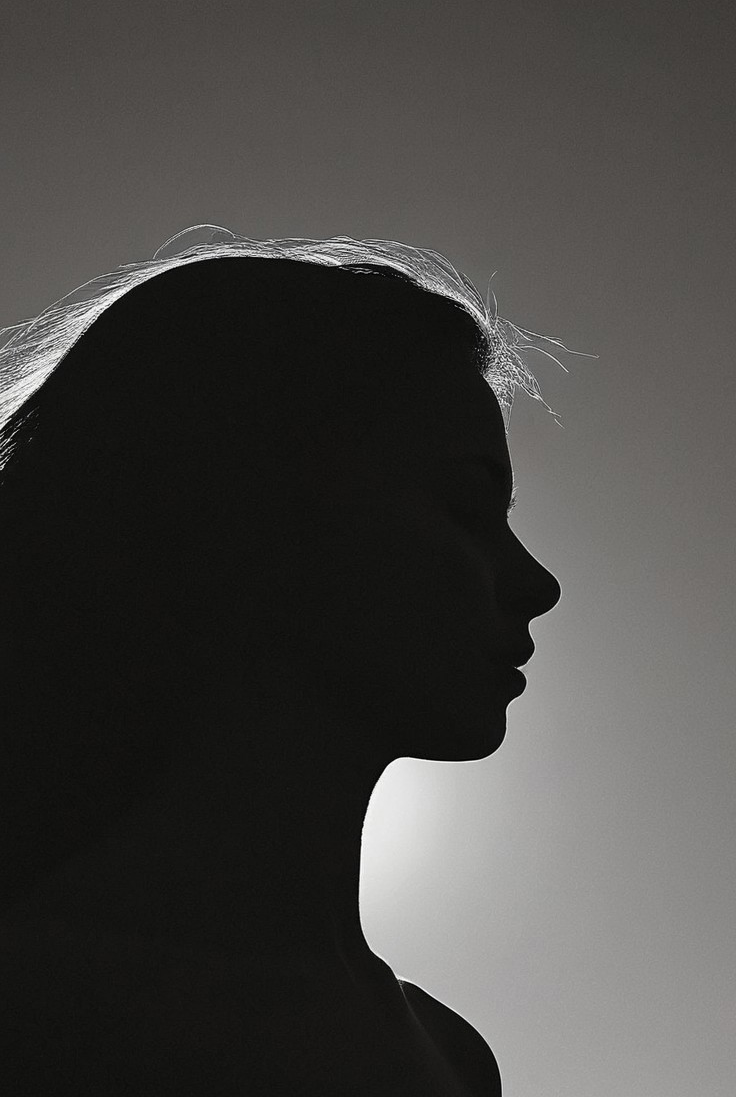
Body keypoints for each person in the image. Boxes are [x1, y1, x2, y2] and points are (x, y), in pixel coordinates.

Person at [0, 230, 587, 1094]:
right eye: (465, 507)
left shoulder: (457, 1058)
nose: (539, 584)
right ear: (243, 516)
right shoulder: (40, 1013)